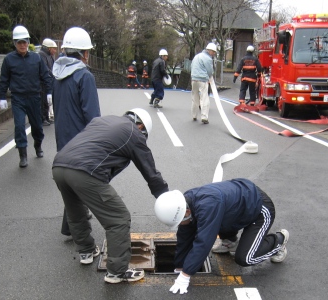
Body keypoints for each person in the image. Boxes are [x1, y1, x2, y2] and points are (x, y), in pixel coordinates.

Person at [52, 108, 169, 284]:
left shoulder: (101, 121)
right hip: (85, 172)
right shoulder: (134, 133)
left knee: (75, 210)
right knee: (119, 219)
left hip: (59, 166)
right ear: (141, 126)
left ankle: (86, 251)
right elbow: (150, 172)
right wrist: (165, 197)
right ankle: (117, 272)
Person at [155, 178, 289, 295]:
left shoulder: (207, 206)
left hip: (259, 208)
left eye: (179, 222)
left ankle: (278, 242)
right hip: (237, 207)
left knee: (246, 258)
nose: (180, 225)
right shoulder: (184, 203)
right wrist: (180, 265)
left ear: (187, 212)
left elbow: (204, 242)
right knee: (209, 221)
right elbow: (185, 236)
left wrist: (186, 275)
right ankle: (230, 241)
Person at [53, 27, 101, 236]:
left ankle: (69, 226)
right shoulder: (84, 77)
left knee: (71, 184)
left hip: (62, 137)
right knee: (81, 184)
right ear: (84, 53)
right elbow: (92, 116)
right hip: (81, 140)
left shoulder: (57, 74)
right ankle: (75, 229)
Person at [0, 25, 52, 168]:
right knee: (19, 126)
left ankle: (38, 145)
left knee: (37, 126)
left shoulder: (36, 58)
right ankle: (22, 155)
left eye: (24, 42)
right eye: (19, 42)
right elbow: (4, 79)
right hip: (18, 98)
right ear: (15, 43)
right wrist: (2, 96)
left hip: (35, 97)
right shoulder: (9, 60)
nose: (22, 45)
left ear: (28, 42)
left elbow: (45, 76)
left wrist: (49, 92)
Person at [190, 43, 217, 124]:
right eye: (214, 52)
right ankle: (204, 117)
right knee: (204, 98)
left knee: (195, 98)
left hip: (194, 79)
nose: (214, 54)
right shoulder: (208, 58)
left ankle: (194, 116)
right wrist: (209, 77)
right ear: (210, 51)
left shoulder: (196, 56)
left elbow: (192, 66)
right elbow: (210, 71)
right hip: (202, 80)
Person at [39, 38, 57, 126]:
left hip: (49, 80)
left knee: (47, 101)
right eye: (53, 48)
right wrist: (53, 74)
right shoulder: (41, 55)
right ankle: (43, 118)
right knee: (43, 100)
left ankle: (46, 117)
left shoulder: (49, 56)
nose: (55, 50)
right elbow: (45, 69)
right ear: (48, 48)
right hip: (43, 82)